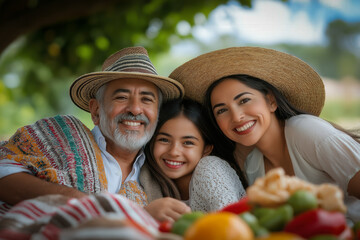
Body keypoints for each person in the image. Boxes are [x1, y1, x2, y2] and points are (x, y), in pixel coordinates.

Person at [169, 46, 360, 223]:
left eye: (244, 100)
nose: (236, 116)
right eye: (221, 110)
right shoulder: (253, 166)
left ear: (271, 101)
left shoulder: (306, 132)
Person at [0, 46, 190, 222]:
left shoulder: (162, 174)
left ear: (157, 113)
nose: (135, 109)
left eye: (147, 99)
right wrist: (87, 203)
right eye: (122, 97)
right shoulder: (61, 134)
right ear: (96, 110)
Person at [144, 98, 247, 214]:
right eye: (164, 140)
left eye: (188, 142)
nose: (174, 152)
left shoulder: (210, 168)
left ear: (206, 149)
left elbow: (230, 224)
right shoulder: (146, 179)